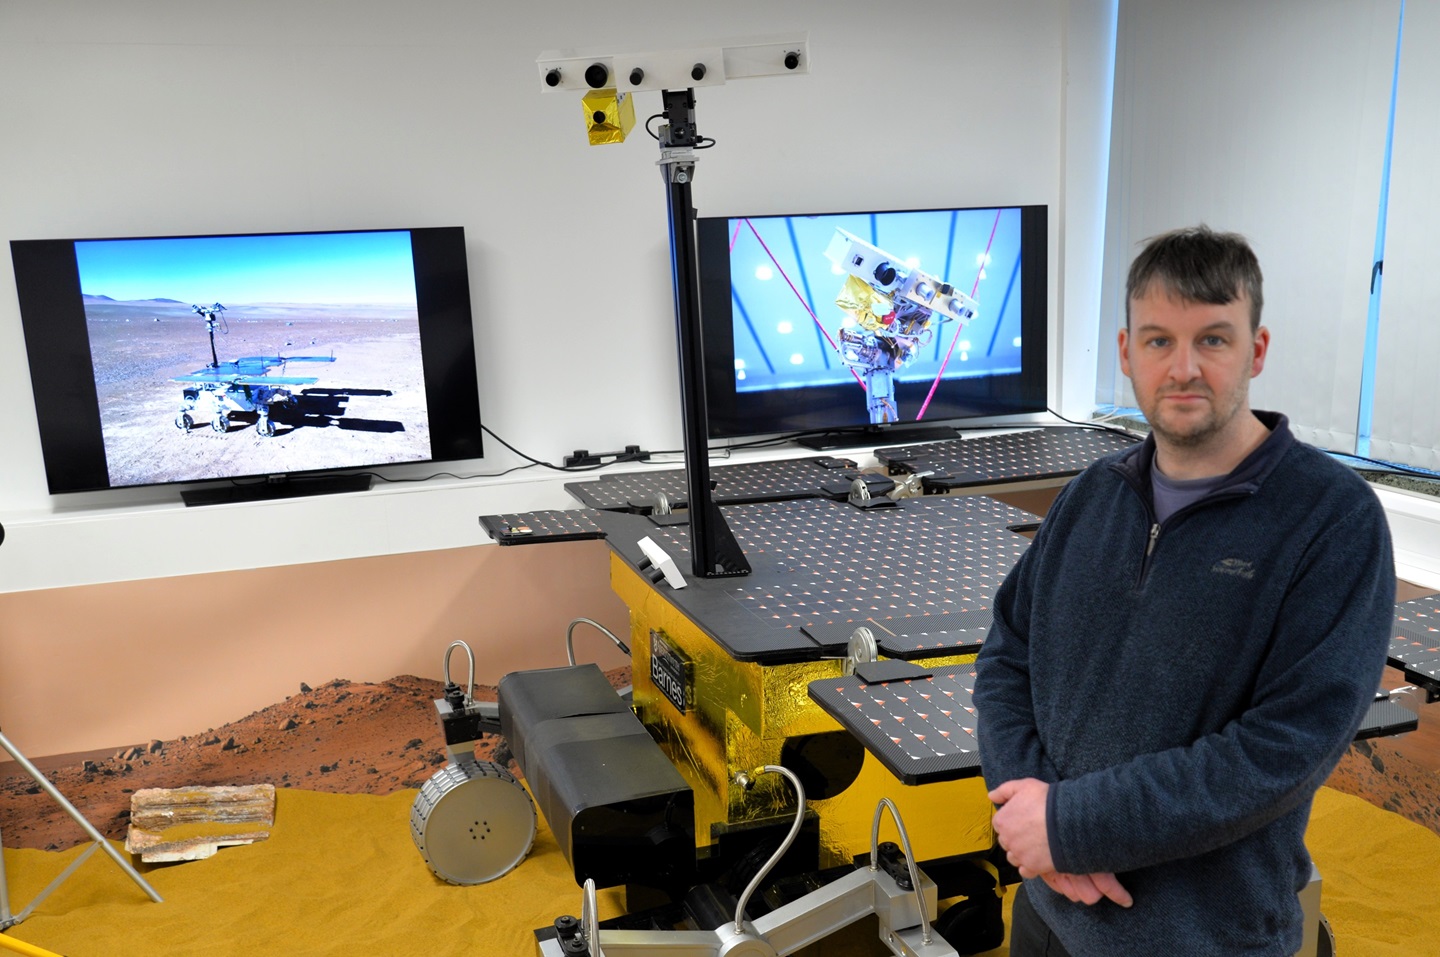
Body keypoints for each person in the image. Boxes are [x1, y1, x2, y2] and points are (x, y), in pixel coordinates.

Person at [972, 225, 1395, 956]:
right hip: (1048, 913)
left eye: (1214, 340)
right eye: (1160, 340)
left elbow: (1281, 748)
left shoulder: (1332, 521)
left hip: (1201, 936)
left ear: (1256, 350)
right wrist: (1029, 809)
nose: (1184, 368)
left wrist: (1073, 826)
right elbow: (1007, 659)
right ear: (1126, 352)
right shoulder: (1090, 497)